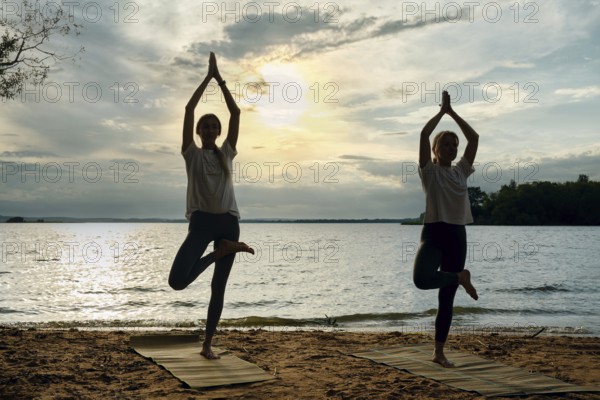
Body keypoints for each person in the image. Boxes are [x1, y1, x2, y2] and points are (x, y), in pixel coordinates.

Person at [168, 52, 253, 360]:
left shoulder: (227, 153)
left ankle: (207, 345)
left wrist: (222, 80)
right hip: (202, 224)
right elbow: (189, 108)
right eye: (204, 126)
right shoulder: (190, 153)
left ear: (218, 132)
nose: (209, 129)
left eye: (213, 126)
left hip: (228, 223)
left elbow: (237, 113)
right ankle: (220, 252)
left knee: (219, 288)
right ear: (197, 131)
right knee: (177, 281)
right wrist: (208, 77)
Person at [413, 90, 479, 368]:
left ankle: (439, 353)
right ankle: (459, 277)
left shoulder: (461, 170)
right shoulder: (429, 172)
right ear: (436, 150)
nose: (452, 148)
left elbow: (473, 138)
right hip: (433, 233)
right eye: (447, 145)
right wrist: (441, 113)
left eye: (455, 145)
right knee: (422, 279)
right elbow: (423, 136)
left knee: (446, 300)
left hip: (456, 235)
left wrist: (453, 113)